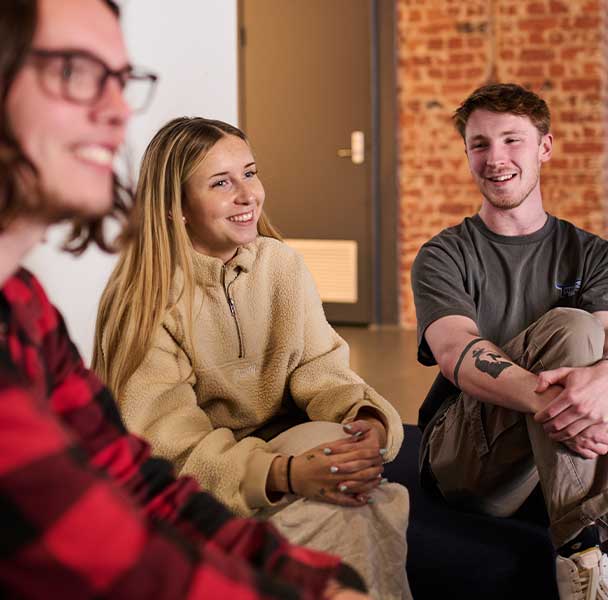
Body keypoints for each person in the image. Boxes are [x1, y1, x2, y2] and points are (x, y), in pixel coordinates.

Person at [0, 0, 372, 598]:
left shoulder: (26, 303)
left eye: (121, 81)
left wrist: (314, 583)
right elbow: (114, 554)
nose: (118, 110)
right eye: (73, 72)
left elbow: (138, 482)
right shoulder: (142, 295)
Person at [92, 115, 411, 600]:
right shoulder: (144, 297)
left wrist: (363, 417)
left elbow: (319, 369)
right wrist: (283, 475)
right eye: (222, 182)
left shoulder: (282, 265)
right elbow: (166, 451)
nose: (248, 195)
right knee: (348, 503)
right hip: (201, 488)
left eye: (250, 172)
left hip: (284, 448)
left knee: (337, 456)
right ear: (176, 206)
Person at [412, 81, 608, 599]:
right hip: (468, 459)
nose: (494, 158)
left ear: (545, 146)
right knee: (573, 327)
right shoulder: (444, 255)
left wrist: (602, 382)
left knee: (593, 346)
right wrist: (563, 400)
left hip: (563, 453)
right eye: (480, 144)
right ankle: (584, 555)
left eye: (511, 140)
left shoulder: (591, 254)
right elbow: (457, 353)